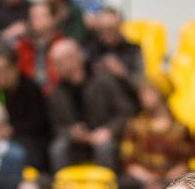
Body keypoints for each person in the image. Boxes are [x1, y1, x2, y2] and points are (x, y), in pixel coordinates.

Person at [48, 39, 134, 173]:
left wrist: (109, 131)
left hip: (104, 136)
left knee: (105, 147)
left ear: (74, 58)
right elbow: (55, 125)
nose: (55, 68)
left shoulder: (104, 81)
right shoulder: (56, 93)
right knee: (58, 148)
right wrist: (71, 132)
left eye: (59, 62)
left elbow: (126, 111)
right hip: (76, 142)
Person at [119, 75, 195, 189]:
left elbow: (184, 163)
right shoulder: (135, 126)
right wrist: (150, 180)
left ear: (161, 94)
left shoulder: (180, 128)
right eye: (142, 93)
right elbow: (129, 163)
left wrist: (164, 182)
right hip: (140, 186)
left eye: (148, 92)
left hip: (172, 185)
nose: (143, 97)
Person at [0, 42, 50, 171]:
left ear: (15, 67)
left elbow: (40, 123)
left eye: (3, 69)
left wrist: (12, 129)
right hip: (2, 138)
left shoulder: (30, 88)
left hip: (30, 140)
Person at [84, 6, 144, 86]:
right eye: (101, 29)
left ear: (119, 27)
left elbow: (141, 83)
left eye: (110, 29)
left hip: (123, 94)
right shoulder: (90, 47)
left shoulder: (133, 50)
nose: (106, 34)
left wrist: (122, 73)